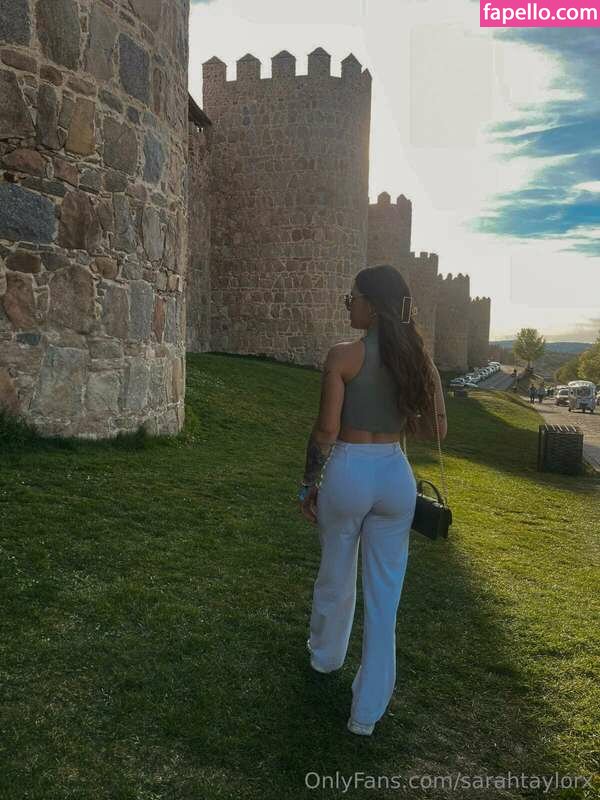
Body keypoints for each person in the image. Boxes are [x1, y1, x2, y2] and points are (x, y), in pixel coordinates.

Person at [297, 265, 447, 737]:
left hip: (350, 468)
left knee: (336, 572)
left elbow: (326, 430)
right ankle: (366, 713)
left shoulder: (344, 356)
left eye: (352, 298)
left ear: (373, 306)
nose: (349, 305)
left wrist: (308, 483)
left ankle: (325, 658)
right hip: (395, 474)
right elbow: (438, 430)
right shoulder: (420, 362)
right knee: (385, 597)